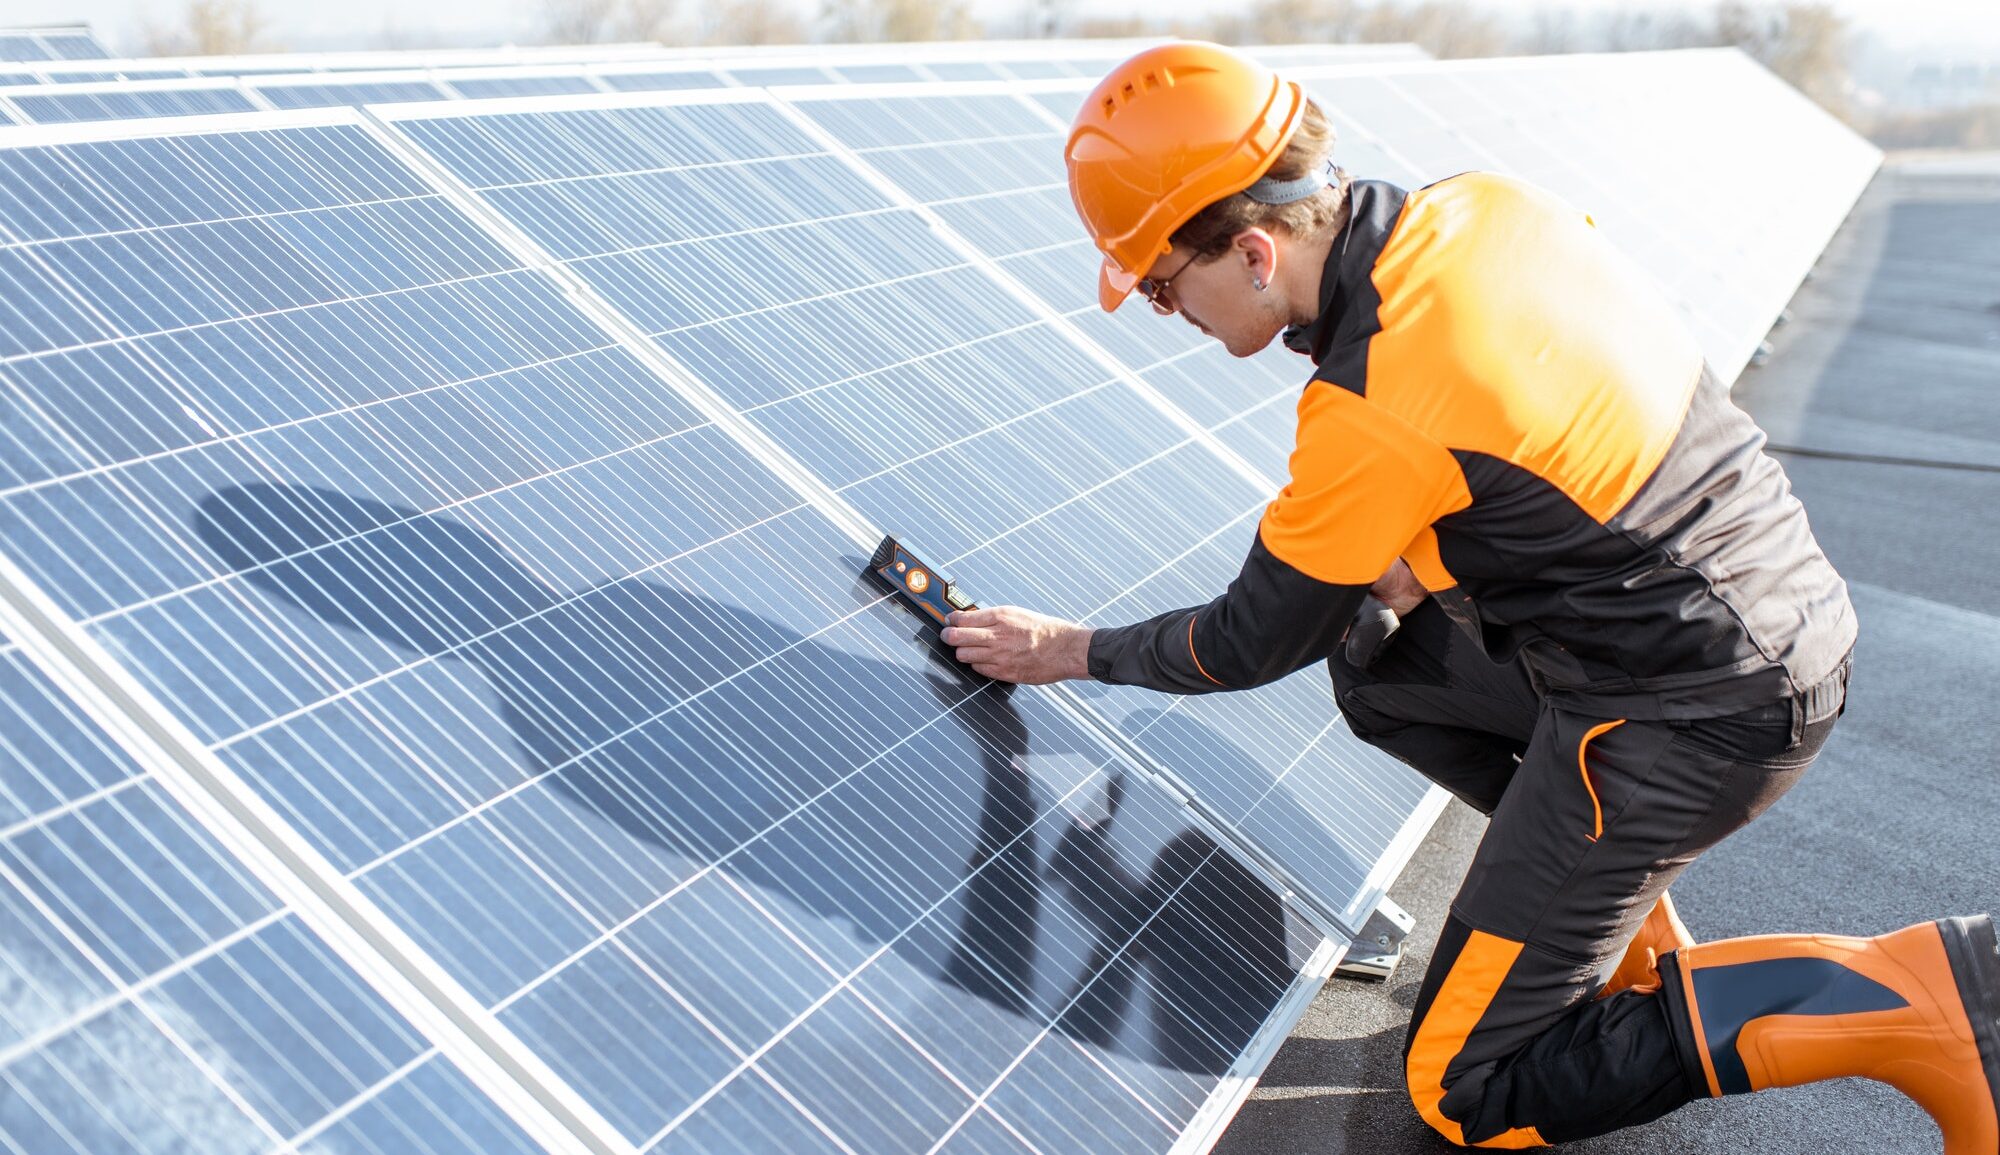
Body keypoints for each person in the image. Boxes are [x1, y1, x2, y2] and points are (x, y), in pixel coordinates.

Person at [937, 41, 2000, 1151]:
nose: (1163, 313)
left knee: (1464, 1088)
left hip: (1690, 710)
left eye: (1159, 286)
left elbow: (1246, 642)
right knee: (1378, 663)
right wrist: (1433, 543)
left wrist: (1068, 650)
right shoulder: (1482, 206)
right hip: (1767, 613)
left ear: (1252, 252)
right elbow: (1550, 422)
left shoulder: (1370, 398)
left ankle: (1910, 995)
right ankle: (1603, 931)